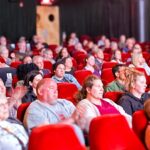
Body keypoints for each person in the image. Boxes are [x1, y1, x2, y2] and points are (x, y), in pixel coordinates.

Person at [23, 78, 85, 144]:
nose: (56, 91)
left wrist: (80, 119)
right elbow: (45, 134)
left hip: (74, 142)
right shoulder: (34, 108)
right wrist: (71, 119)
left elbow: (81, 125)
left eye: (56, 89)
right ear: (40, 91)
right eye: (51, 88)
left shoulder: (65, 103)